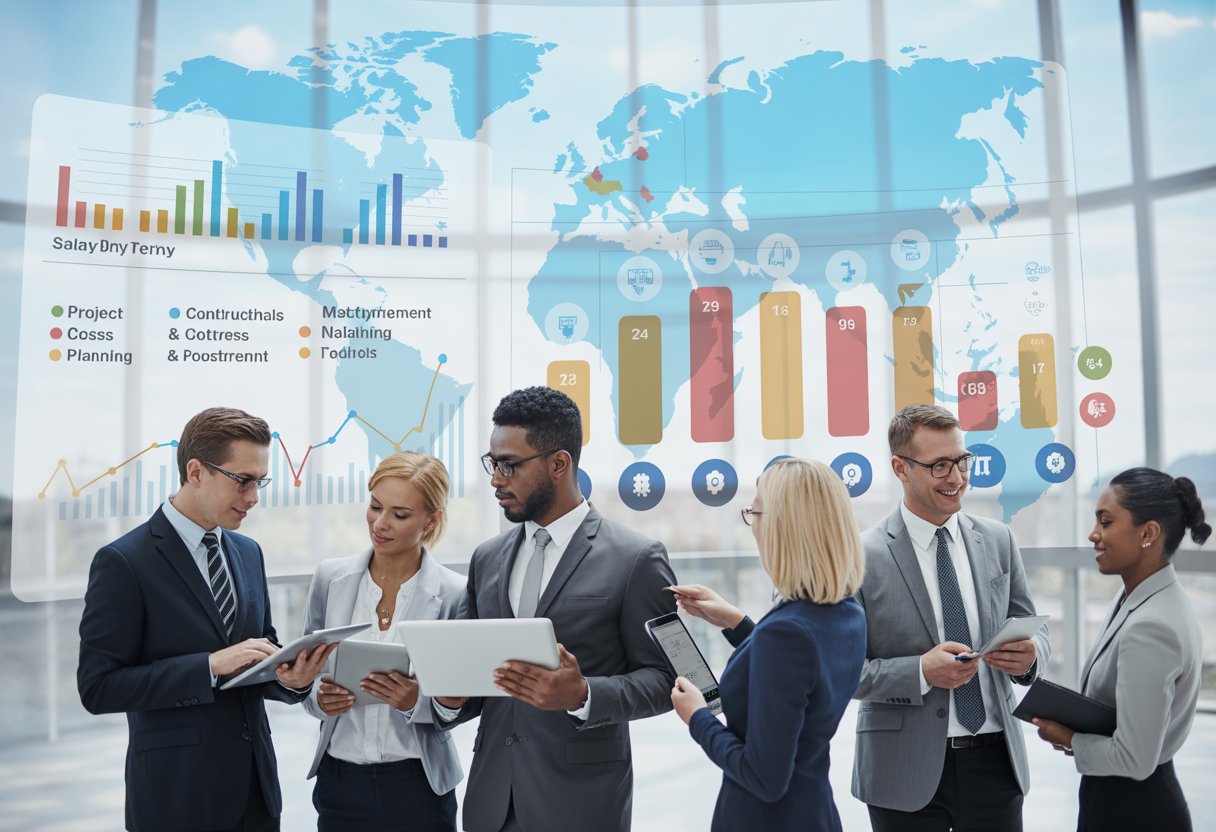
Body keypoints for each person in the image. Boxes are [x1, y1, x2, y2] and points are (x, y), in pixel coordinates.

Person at [432, 386, 677, 832]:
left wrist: (583, 695)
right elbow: (477, 683)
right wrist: (448, 701)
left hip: (581, 806)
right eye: (492, 463)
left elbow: (668, 681)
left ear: (558, 464)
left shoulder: (636, 559)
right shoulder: (486, 558)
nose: (495, 479)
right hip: (491, 804)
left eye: (508, 465)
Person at [77, 407, 332, 832]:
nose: (253, 497)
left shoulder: (248, 552)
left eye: (260, 482)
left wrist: (290, 678)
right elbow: (98, 688)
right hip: (177, 796)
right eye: (243, 480)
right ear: (196, 471)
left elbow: (256, 650)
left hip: (257, 794)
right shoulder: (123, 562)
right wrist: (208, 666)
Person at [853, 404, 1051, 832]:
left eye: (962, 461)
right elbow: (843, 672)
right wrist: (921, 671)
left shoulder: (998, 539)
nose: (957, 478)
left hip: (997, 763)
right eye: (939, 465)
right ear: (900, 468)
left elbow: (1034, 625)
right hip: (901, 770)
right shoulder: (861, 556)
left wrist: (1031, 658)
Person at [668, 457, 867, 832]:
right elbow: (803, 673)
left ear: (781, 528)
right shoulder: (847, 610)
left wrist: (698, 717)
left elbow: (764, 778)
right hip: (813, 811)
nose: (752, 524)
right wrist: (736, 622)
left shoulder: (787, 634)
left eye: (753, 512)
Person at [1031, 467, 1208, 832]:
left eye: (1106, 522)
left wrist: (1069, 739)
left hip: (1135, 811)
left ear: (1149, 533)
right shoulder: (1139, 596)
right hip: (1122, 801)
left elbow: (1135, 758)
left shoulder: (1151, 625)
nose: (1093, 534)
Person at [302, 452, 468, 831]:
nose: (380, 523)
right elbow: (305, 674)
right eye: (375, 506)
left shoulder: (455, 593)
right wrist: (317, 698)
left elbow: (458, 706)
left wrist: (416, 702)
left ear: (431, 520)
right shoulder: (330, 579)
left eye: (400, 514)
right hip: (340, 782)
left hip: (419, 784)